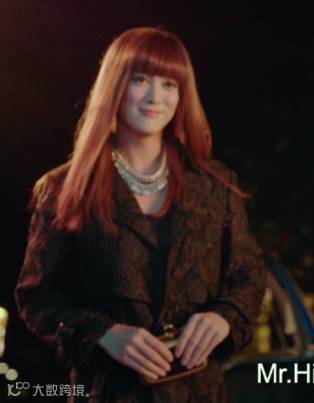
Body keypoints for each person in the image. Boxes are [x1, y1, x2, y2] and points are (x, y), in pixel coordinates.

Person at [14, 26, 266, 402]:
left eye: (169, 84)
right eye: (141, 80)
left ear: (182, 95)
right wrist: (103, 334)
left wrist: (223, 318)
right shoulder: (64, 188)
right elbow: (36, 297)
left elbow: (249, 278)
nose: (155, 97)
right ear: (115, 86)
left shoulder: (216, 185)